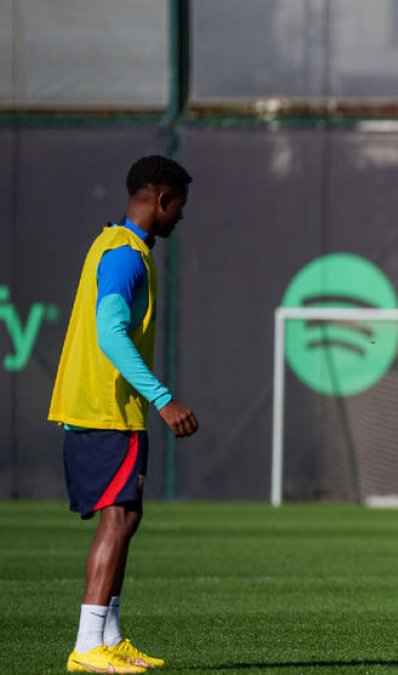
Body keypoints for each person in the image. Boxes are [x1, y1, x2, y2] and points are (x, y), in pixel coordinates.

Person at [48, 155, 199, 674]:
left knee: (126, 516)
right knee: (117, 518)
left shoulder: (117, 243)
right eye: (178, 205)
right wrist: (163, 398)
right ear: (161, 199)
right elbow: (110, 332)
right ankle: (88, 645)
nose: (180, 215)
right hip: (103, 408)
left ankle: (107, 638)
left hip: (110, 410)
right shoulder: (125, 254)